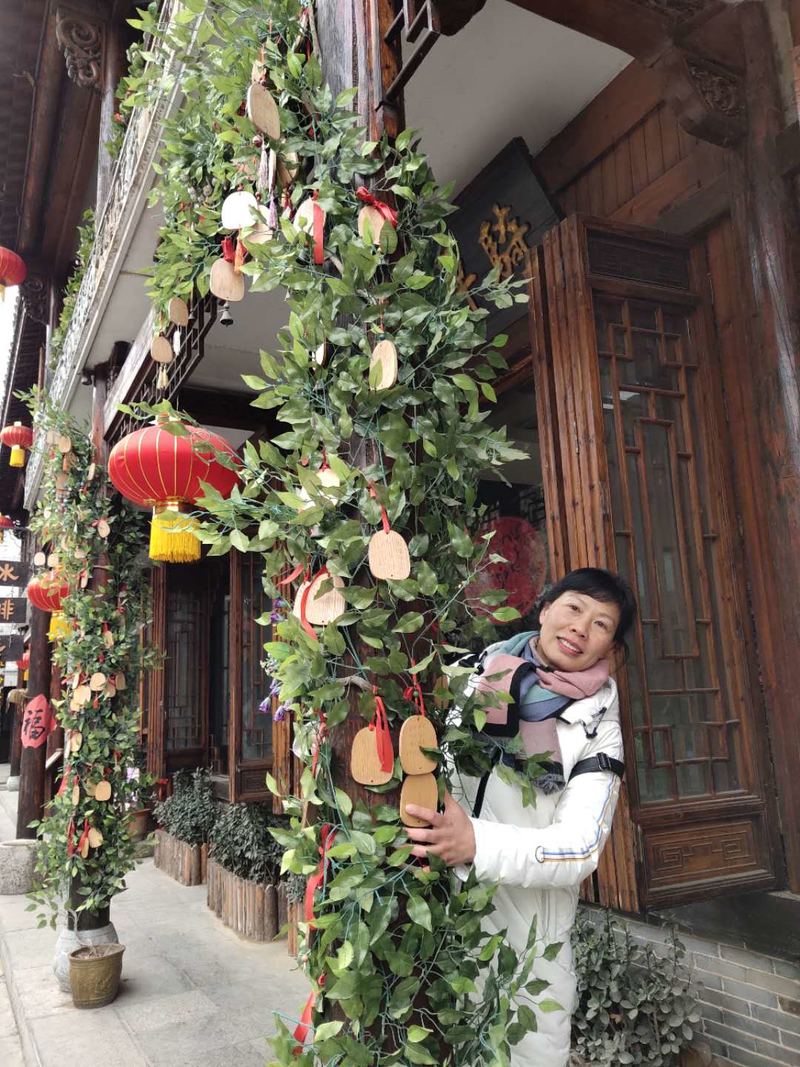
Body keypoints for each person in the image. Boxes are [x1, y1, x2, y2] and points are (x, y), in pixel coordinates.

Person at [405, 566, 638, 1067]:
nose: (580, 627)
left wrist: (476, 844)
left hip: (528, 947)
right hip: (439, 914)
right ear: (546, 608)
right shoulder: (476, 673)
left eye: (601, 624)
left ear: (611, 647)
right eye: (573, 607)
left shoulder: (598, 726)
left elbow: (581, 846)